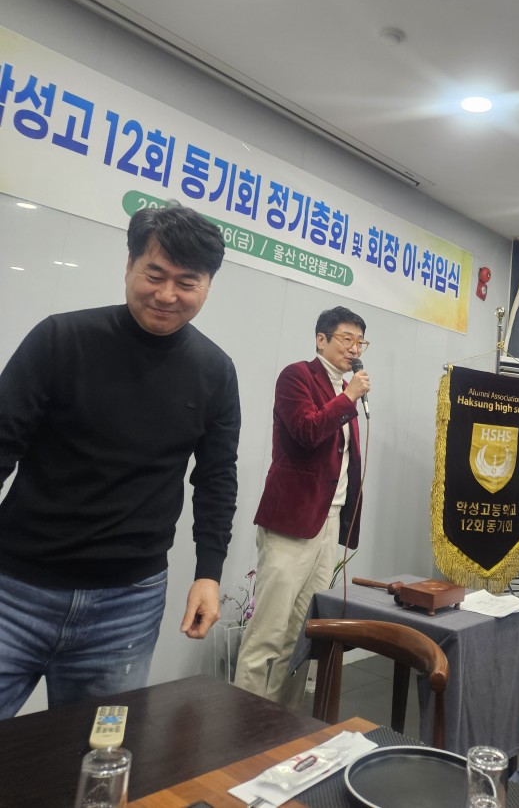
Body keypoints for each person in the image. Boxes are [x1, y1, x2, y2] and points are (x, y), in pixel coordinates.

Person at [0, 203, 240, 718]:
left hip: (127, 607)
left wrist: (209, 573)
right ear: (129, 265)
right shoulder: (60, 339)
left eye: (187, 282)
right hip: (15, 588)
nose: (167, 295)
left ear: (207, 285)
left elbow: (216, 478)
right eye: (154, 275)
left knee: (96, 755)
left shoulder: (216, 371)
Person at [234, 306, 370, 708]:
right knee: (269, 630)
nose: (354, 349)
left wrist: (346, 396)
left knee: (301, 634)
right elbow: (307, 431)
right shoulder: (298, 376)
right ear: (320, 340)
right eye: (346, 338)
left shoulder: (343, 390)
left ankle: (284, 719)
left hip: (328, 524)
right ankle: (243, 722)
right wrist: (348, 397)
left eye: (360, 342)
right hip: (292, 523)